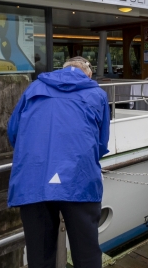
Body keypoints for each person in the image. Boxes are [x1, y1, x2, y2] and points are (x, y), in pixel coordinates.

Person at [7, 56, 110, 267]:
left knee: (39, 256)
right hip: (79, 180)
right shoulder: (97, 94)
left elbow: (13, 133)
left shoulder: (33, 88)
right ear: (88, 73)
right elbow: (101, 144)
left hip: (34, 180)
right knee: (87, 253)